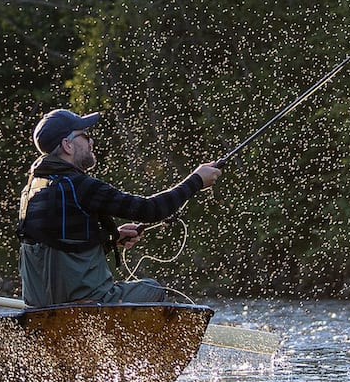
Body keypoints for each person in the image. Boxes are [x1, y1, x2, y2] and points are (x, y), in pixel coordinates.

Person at [15, 108, 221, 307]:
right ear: (67, 145)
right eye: (85, 136)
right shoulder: (81, 186)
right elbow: (150, 210)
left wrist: (110, 239)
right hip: (85, 305)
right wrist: (196, 181)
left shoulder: (32, 191)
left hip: (39, 308)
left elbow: (60, 246)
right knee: (153, 289)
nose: (91, 142)